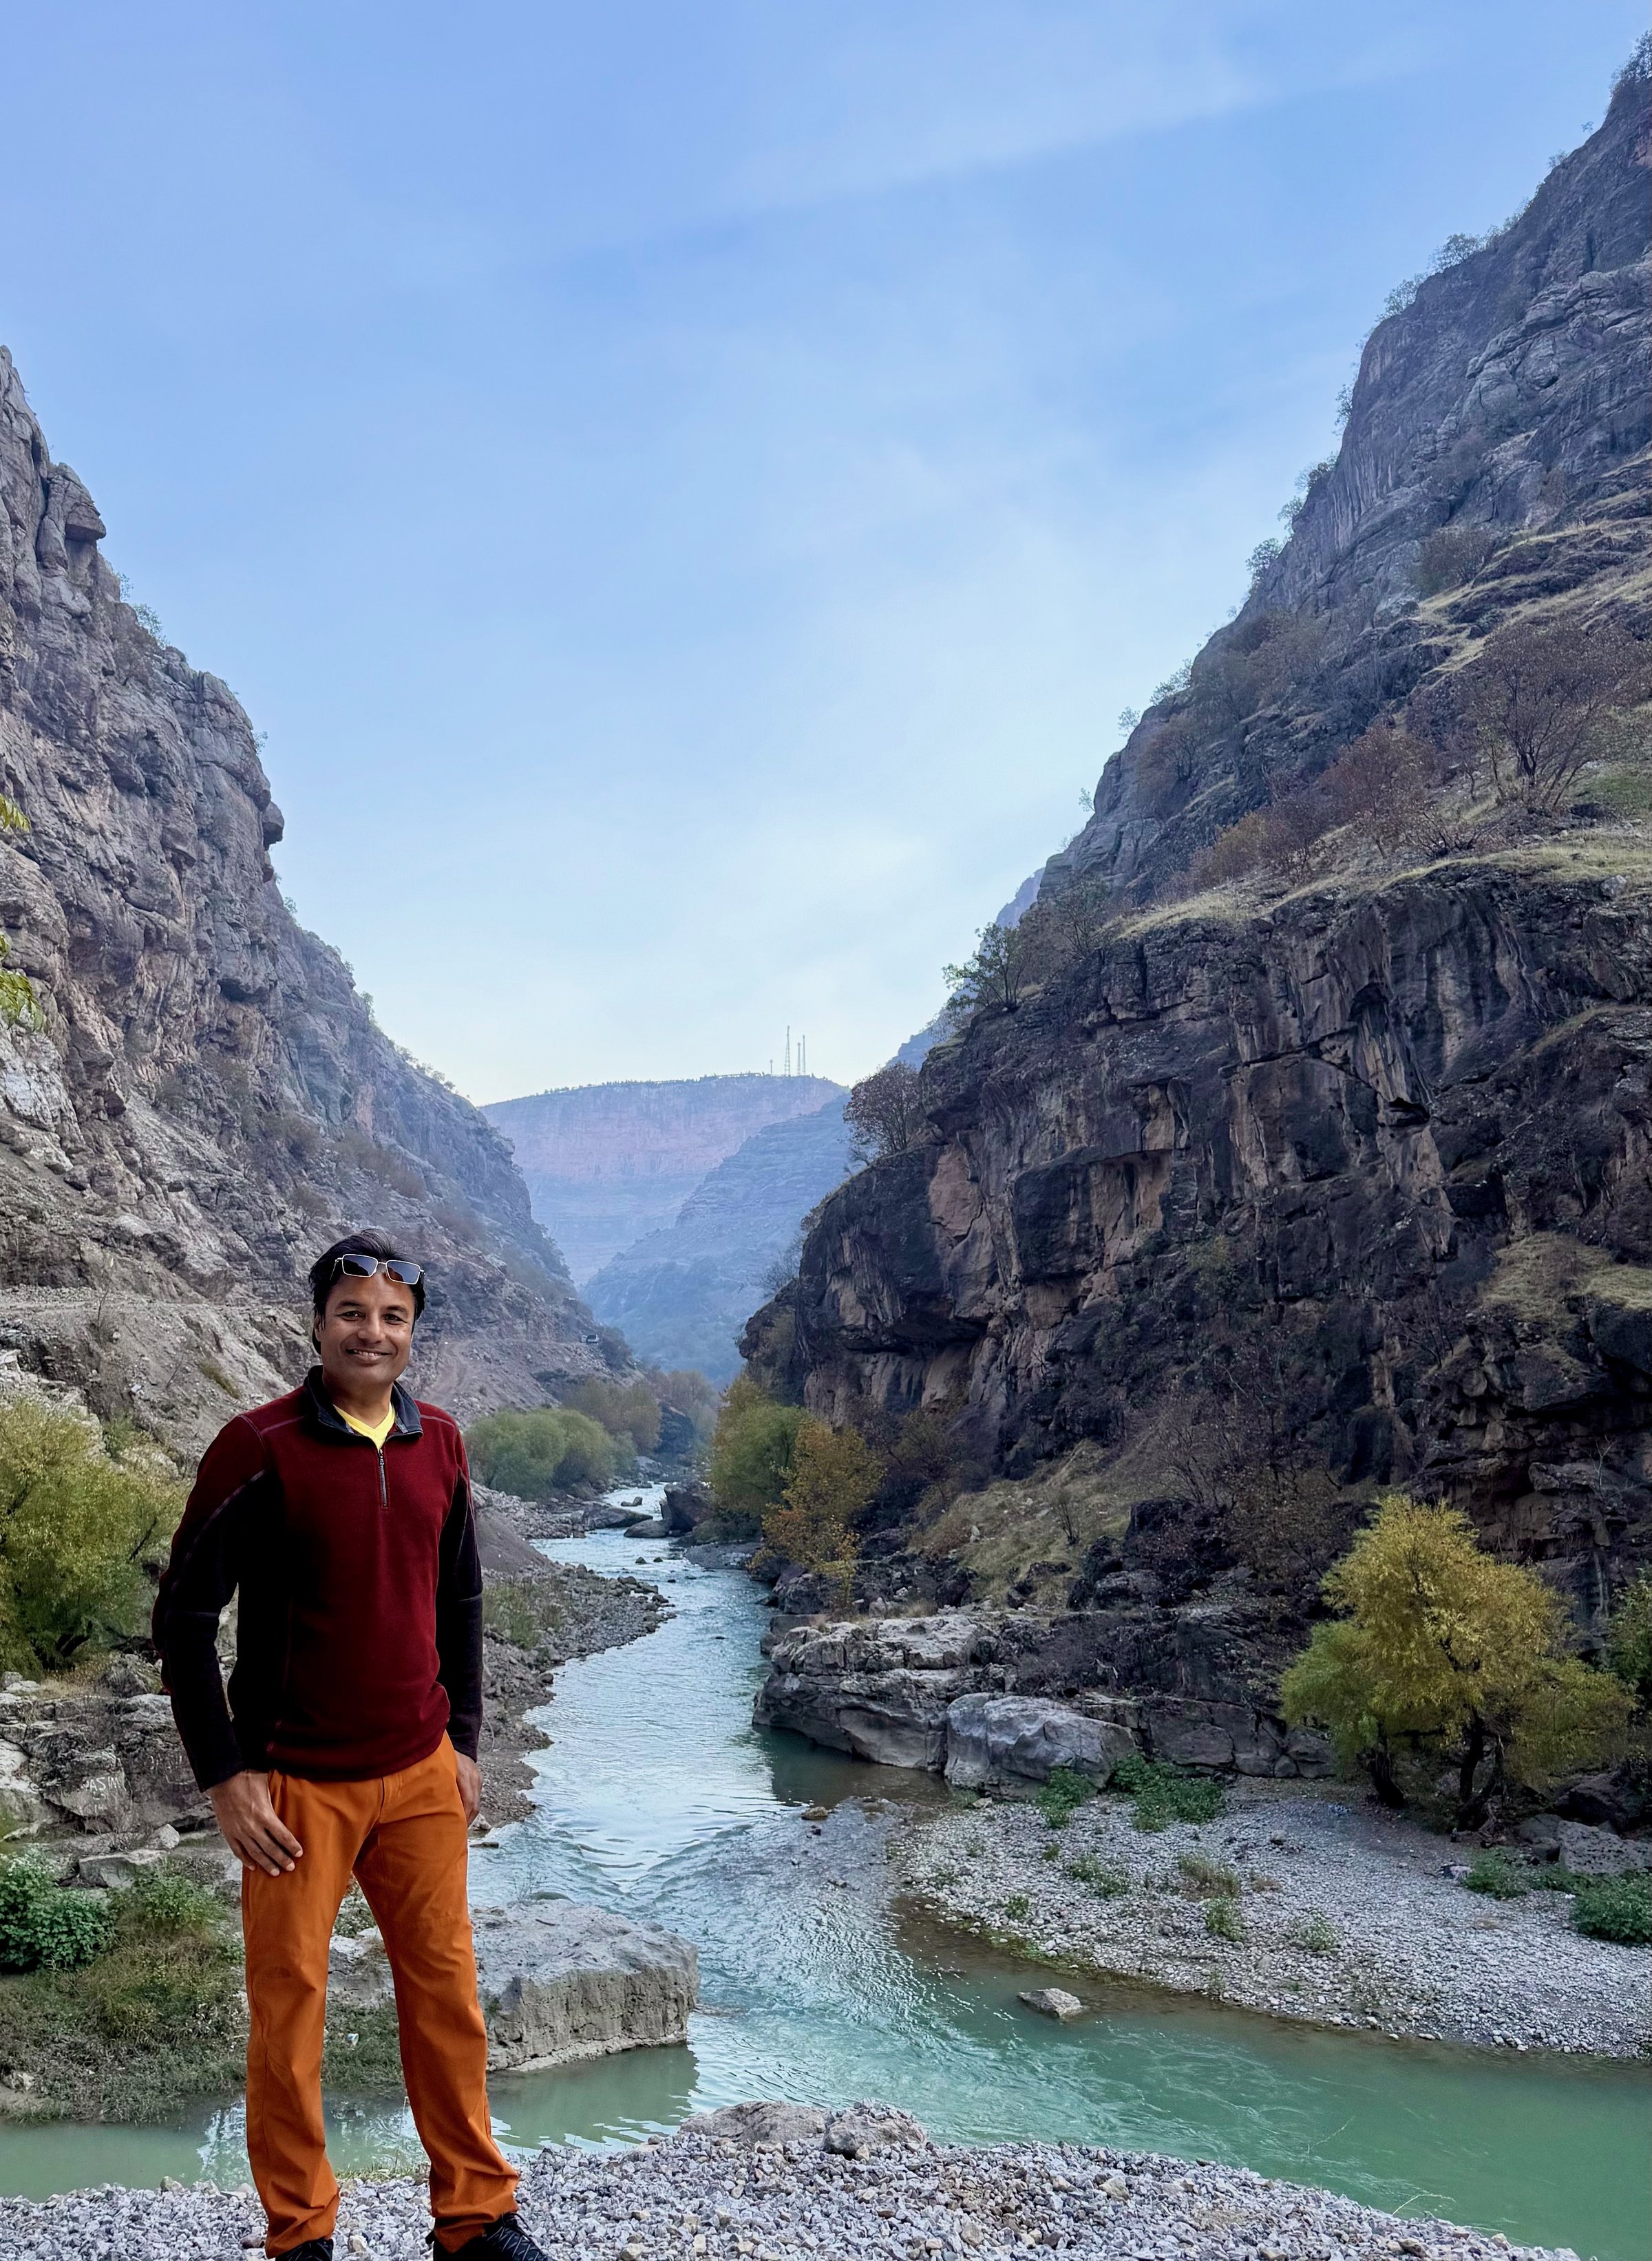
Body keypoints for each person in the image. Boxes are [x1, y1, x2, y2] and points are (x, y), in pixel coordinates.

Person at [153, 1231, 548, 2261]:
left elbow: (460, 1592)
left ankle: (474, 2216)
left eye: (392, 1317)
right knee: (288, 2019)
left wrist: (462, 1738)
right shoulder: (259, 1445)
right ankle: (302, 2233)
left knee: (448, 2000)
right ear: (318, 1322)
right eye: (352, 1313)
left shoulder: (444, 1443)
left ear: (413, 1333)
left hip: (419, 1774)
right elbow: (185, 1614)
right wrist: (225, 1774)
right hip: (294, 1789)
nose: (371, 1331)